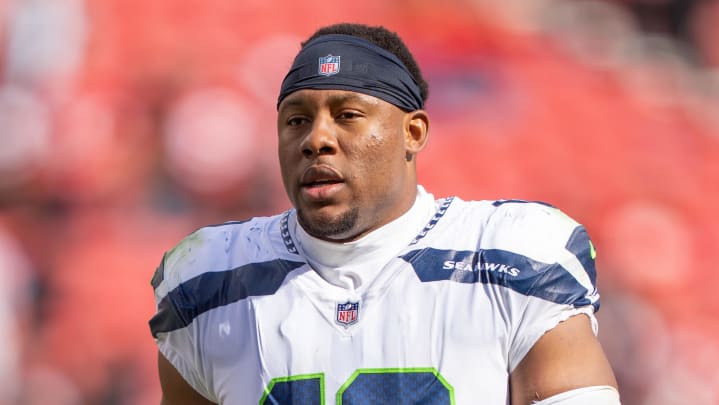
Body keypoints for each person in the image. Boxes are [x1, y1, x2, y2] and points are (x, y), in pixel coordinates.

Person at [149, 23, 621, 405]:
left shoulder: (508, 256)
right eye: (296, 120)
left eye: (348, 115)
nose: (316, 139)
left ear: (412, 133)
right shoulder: (210, 279)